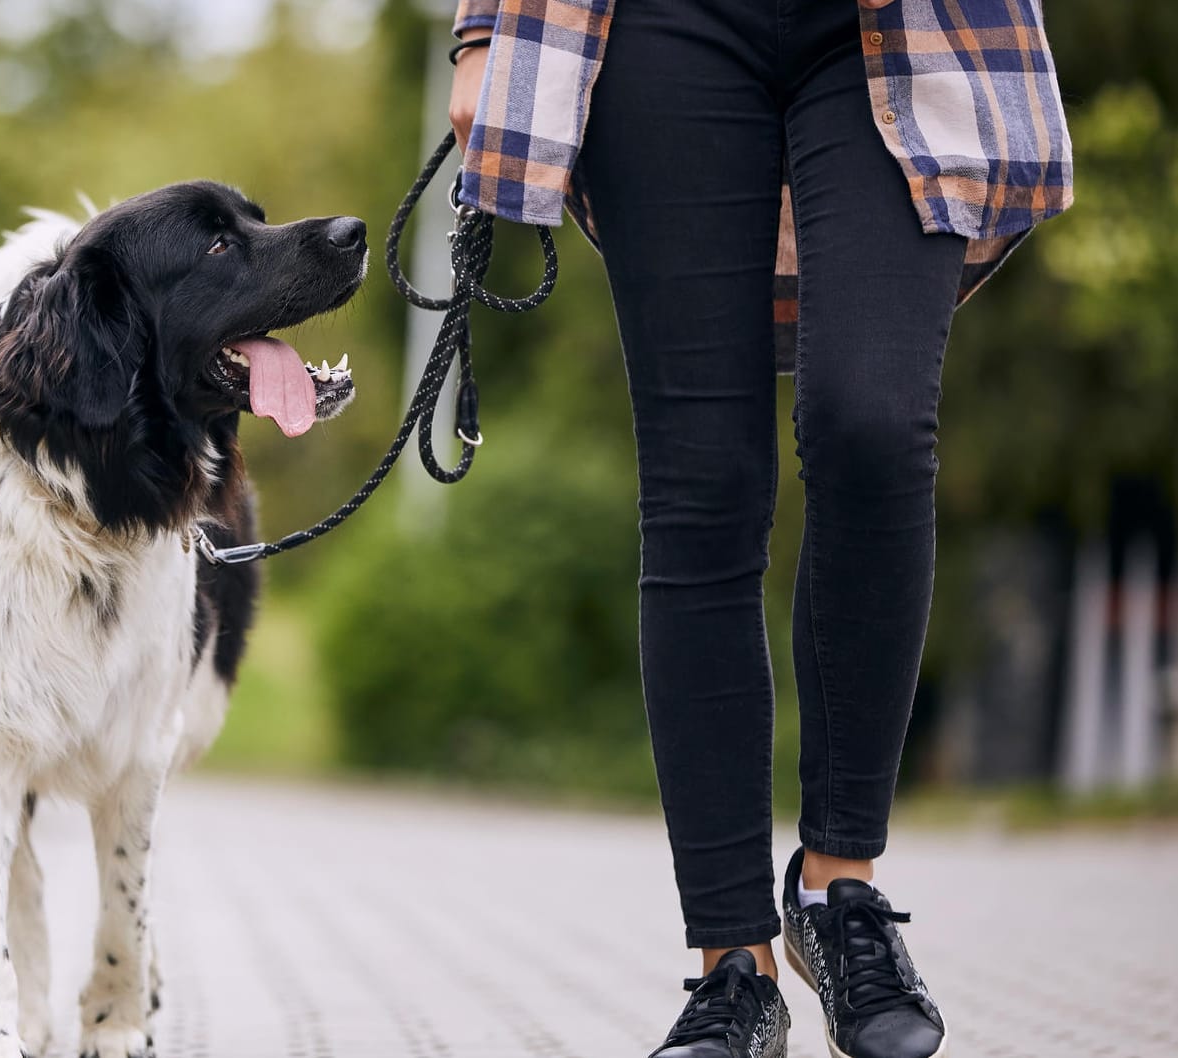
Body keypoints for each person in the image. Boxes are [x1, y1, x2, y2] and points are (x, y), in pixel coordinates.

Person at [446, 1, 1072, 1056]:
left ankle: (840, 892)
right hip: (661, 25)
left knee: (873, 420)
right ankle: (730, 963)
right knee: (702, 483)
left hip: (907, 23)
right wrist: (479, 33)